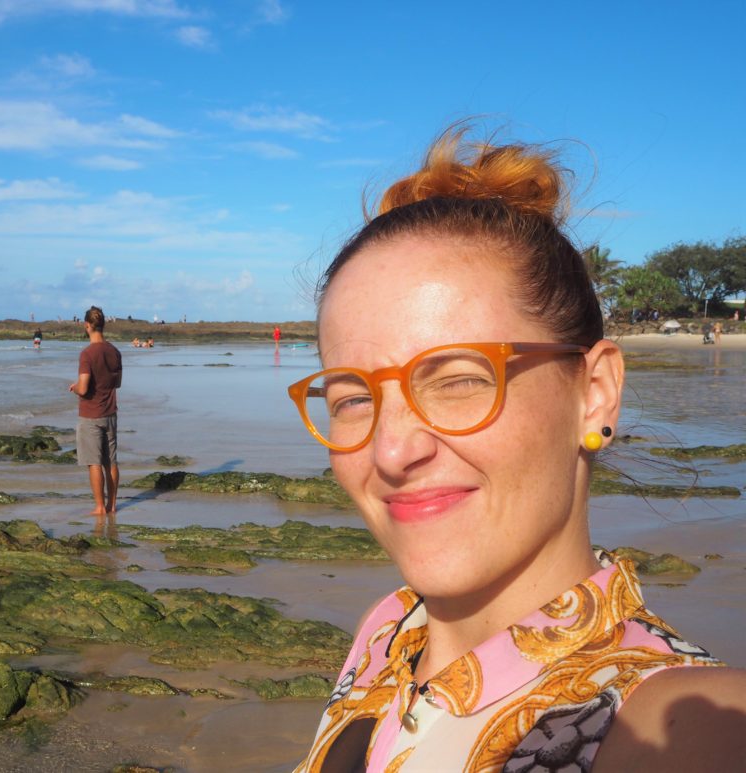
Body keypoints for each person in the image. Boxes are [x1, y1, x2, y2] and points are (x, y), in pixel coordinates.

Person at [287, 126, 746, 772]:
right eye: (351, 398)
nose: (391, 451)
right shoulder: (386, 629)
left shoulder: (680, 723)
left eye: (458, 380)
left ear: (595, 392)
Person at [69, 306, 122, 515]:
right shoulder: (114, 351)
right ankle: (113, 504)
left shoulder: (87, 354)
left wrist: (74, 388)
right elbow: (117, 383)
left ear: (87, 326)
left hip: (91, 414)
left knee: (94, 462)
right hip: (110, 412)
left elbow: (83, 387)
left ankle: (100, 506)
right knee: (111, 461)